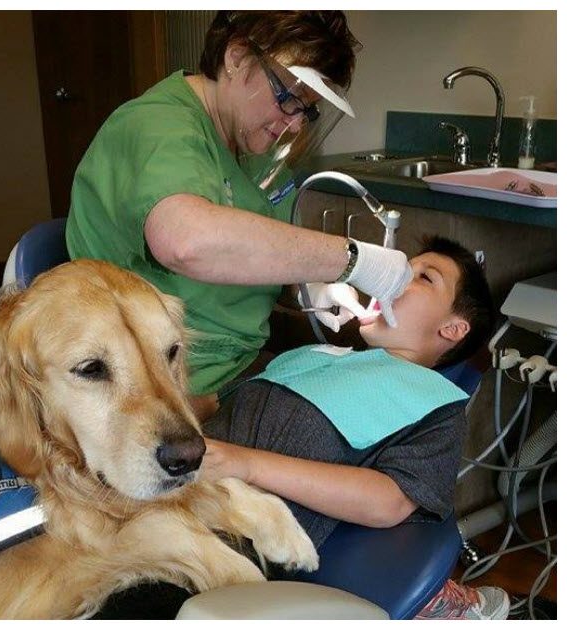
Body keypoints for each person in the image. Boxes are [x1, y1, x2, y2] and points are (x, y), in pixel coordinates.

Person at [94, 236, 507, 620]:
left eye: (422, 277)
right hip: (149, 495)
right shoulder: (318, 354)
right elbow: (221, 403)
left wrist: (247, 465)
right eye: (402, 267)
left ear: (452, 329)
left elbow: (391, 502)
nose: (397, 277)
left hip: (224, 542)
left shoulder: (434, 400)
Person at [65, 11, 412, 419]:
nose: (295, 124)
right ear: (237, 57)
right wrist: (353, 261)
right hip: (165, 389)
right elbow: (187, 242)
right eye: (289, 98)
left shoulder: (253, 151)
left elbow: (263, 247)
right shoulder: (157, 127)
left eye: (308, 111)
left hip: (239, 368)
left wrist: (313, 287)